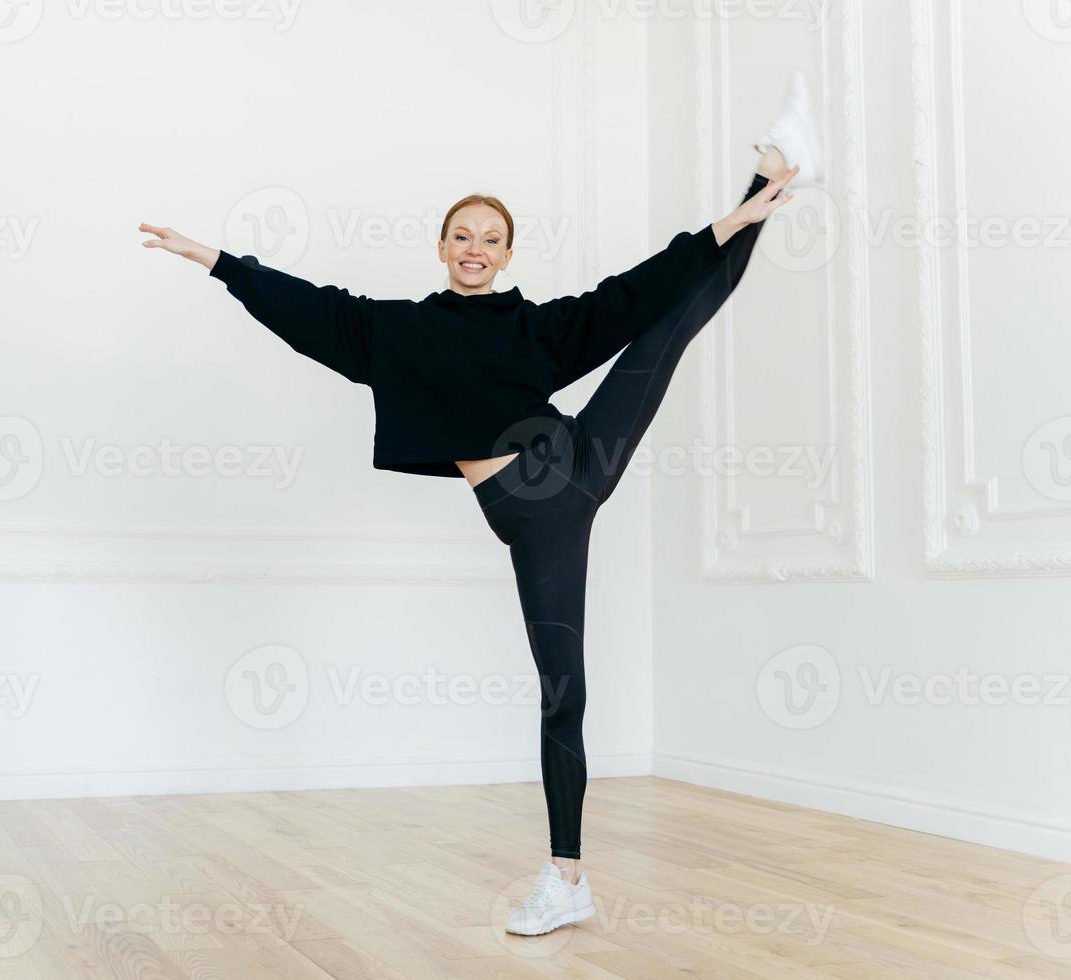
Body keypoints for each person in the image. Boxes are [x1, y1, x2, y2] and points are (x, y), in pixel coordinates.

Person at [140, 70, 823, 938]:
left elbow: (628, 292)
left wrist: (729, 223)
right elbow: (307, 310)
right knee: (671, 331)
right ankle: (775, 174)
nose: (474, 247)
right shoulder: (398, 332)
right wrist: (215, 259)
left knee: (665, 322)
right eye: (461, 236)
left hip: (562, 484)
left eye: (490, 239)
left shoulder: (534, 328)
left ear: (508, 254)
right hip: (536, 503)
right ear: (442, 248)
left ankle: (770, 180)